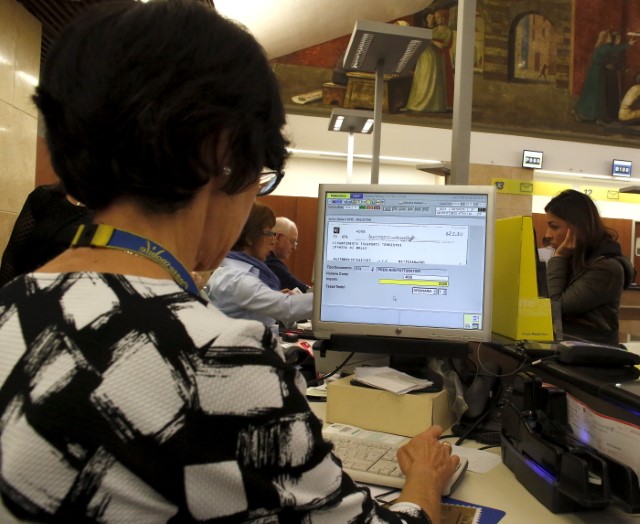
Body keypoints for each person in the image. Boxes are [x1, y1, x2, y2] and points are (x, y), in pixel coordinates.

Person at [0, 2, 457, 522]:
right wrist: (422, 479)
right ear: (222, 152)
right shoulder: (212, 359)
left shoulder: (12, 306)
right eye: (261, 168)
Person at [544, 189, 635, 345]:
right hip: (570, 347)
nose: (548, 235)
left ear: (577, 227)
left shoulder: (606, 269)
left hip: (591, 353)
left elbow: (553, 309)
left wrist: (559, 257)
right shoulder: (576, 260)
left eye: (554, 227)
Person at [207, 203, 314, 327]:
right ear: (249, 238)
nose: (273, 241)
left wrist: (274, 297)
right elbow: (287, 308)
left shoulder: (237, 272)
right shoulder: (235, 278)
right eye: (269, 234)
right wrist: (332, 302)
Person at [0, 183, 92, 287]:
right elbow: (12, 256)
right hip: (25, 292)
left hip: (69, 295)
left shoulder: (107, 214)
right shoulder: (44, 196)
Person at [267, 216, 311, 292]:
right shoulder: (270, 262)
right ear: (277, 237)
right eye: (292, 241)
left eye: (295, 243)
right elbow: (302, 289)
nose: (294, 248)